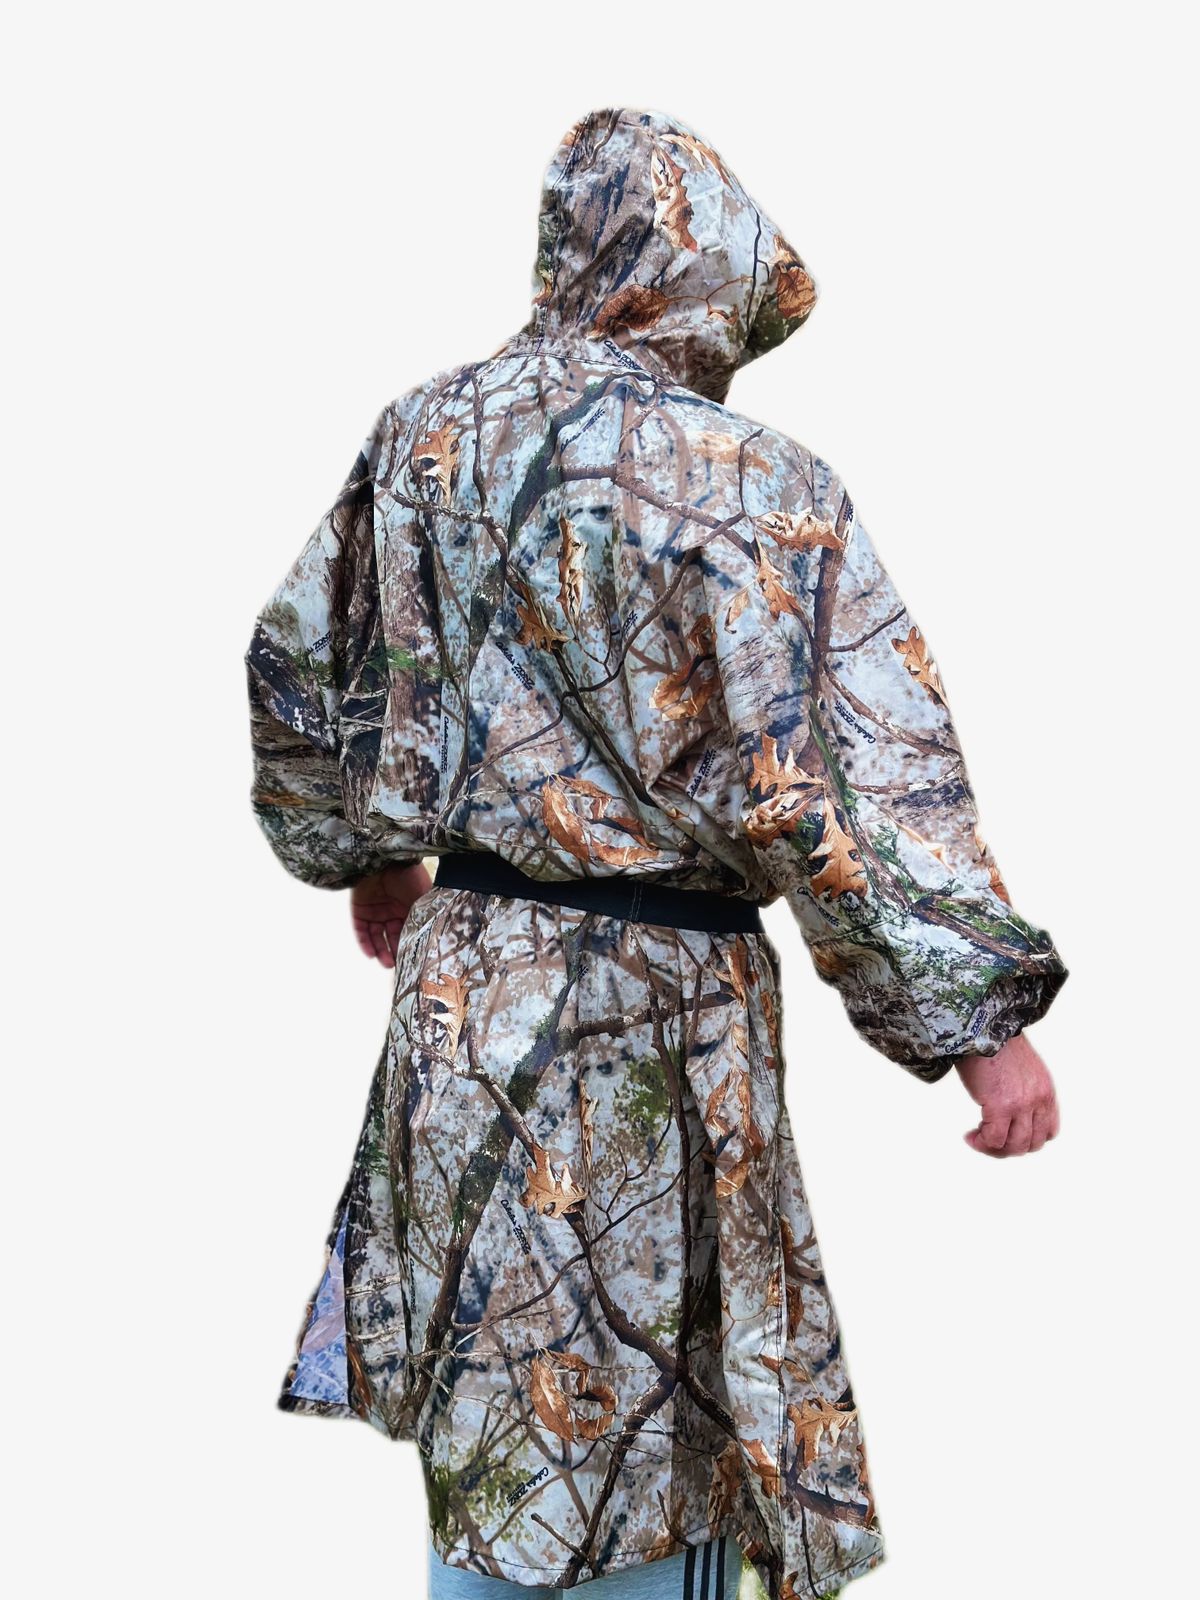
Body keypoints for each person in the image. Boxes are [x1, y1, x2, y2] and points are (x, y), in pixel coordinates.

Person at [243, 107, 1068, 1600]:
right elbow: (839, 781)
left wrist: (369, 851)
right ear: (707, 267)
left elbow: (306, 664)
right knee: (660, 1440)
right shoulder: (755, 483)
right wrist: (975, 1022)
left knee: (505, 1424)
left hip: (466, 995)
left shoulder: (423, 440)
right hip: (655, 1013)